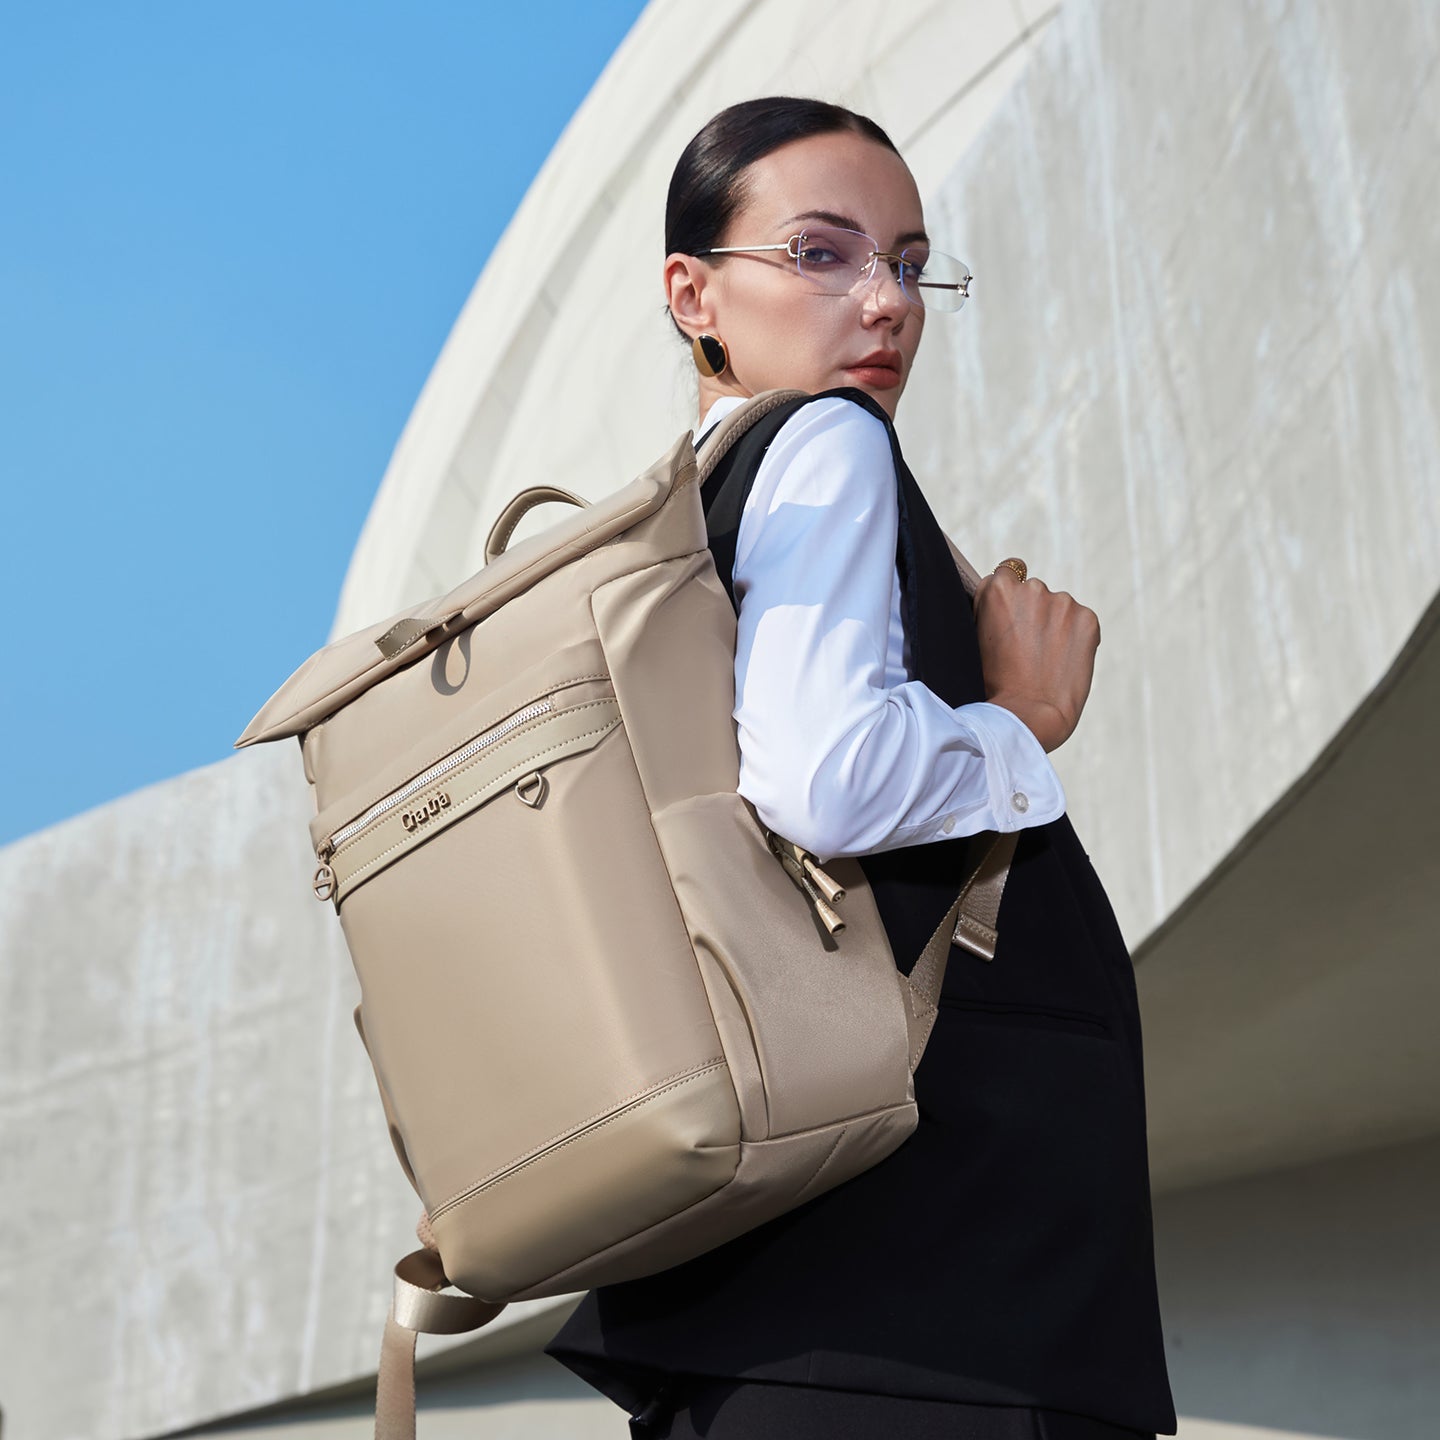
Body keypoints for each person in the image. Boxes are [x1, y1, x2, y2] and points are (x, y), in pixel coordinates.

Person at [547, 97, 1177, 1440]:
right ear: (694, 295)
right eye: (822, 254)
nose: (886, 303)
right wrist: (1020, 720)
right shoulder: (830, 444)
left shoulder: (682, 519)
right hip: (944, 1288)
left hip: (766, 1299)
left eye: (909, 263)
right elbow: (826, 779)